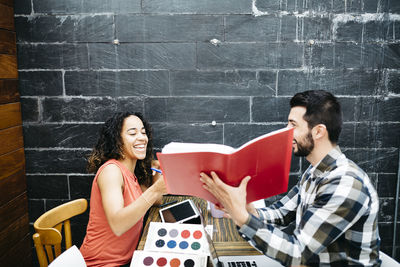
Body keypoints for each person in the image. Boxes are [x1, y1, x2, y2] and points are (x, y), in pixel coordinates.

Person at [200, 90, 380, 266]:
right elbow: (282, 213)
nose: (286, 132)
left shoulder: (345, 184)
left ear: (318, 132)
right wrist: (247, 210)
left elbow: (297, 254)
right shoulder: (316, 171)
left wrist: (242, 217)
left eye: (293, 125)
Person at [80, 112, 167, 267]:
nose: (141, 137)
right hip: (102, 263)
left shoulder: (132, 172)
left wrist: (157, 171)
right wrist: (156, 189)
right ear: (117, 141)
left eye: (143, 132)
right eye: (132, 133)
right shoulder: (111, 171)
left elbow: (156, 200)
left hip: (127, 260)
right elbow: (118, 225)